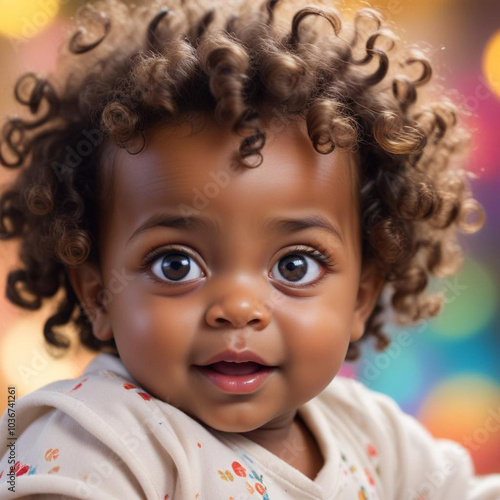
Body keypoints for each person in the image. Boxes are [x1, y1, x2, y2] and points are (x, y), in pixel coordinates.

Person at [0, 0, 498, 498]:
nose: (238, 309)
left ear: (362, 298)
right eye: (176, 265)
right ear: (98, 295)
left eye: (295, 265)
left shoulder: (372, 435)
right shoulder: (99, 439)